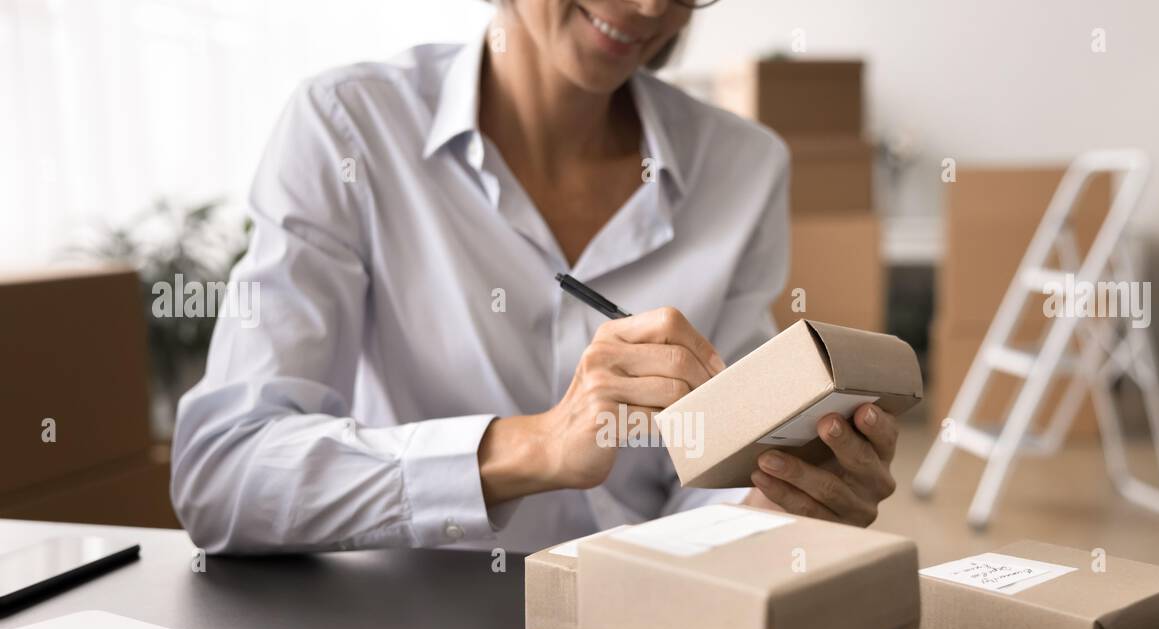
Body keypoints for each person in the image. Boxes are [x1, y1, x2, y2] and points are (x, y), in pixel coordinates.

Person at [171, 0, 899, 554]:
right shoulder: (349, 129)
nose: (649, 8)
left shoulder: (744, 168)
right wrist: (534, 447)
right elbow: (223, 471)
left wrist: (783, 500)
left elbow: (707, 479)